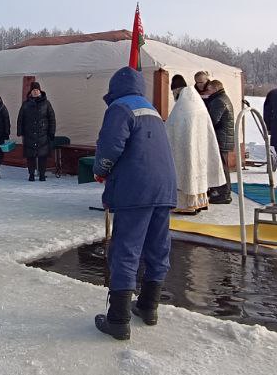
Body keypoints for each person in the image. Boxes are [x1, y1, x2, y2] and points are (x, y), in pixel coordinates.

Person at [92, 67, 177, 340]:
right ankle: (149, 307)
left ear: (115, 87)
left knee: (126, 250)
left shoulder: (120, 108)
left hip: (136, 188)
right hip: (164, 187)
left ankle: (118, 320)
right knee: (157, 247)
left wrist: (101, 170)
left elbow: (110, 146)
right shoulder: (152, 110)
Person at [165, 74, 225, 215]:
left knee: (187, 173)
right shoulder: (196, 102)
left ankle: (187, 205)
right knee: (198, 173)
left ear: (177, 90)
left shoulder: (183, 106)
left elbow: (173, 126)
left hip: (187, 149)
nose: (174, 95)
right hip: (200, 149)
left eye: (174, 92)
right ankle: (199, 203)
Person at [203, 79, 236, 205]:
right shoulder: (222, 98)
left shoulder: (219, 101)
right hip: (224, 137)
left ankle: (224, 193)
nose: (208, 91)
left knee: (222, 166)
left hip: (221, 137)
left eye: (210, 89)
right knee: (222, 165)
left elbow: (213, 120)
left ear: (215, 89)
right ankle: (222, 191)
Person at [17, 81, 57, 182]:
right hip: (29, 133)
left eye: (37, 90)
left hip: (43, 134)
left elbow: (52, 118)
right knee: (30, 156)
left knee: (42, 156)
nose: (35, 92)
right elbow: (20, 118)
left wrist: (52, 132)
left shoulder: (46, 103)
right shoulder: (26, 104)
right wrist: (20, 131)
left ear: (40, 91)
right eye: (34, 90)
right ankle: (31, 174)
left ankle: (42, 174)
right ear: (31, 92)